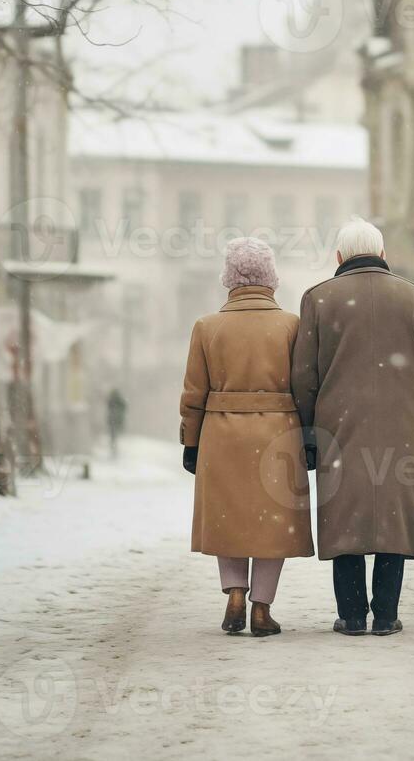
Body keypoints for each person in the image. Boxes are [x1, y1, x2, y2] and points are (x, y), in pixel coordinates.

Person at [291, 217, 414, 637]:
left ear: (339, 257)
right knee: (393, 521)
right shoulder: (413, 298)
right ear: (382, 254)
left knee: (346, 521)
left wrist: (306, 434)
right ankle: (386, 615)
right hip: (401, 429)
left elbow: (303, 375)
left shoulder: (319, 299)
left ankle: (353, 616)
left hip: (339, 432)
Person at [179, 237, 314, 637]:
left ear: (229, 278)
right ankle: (261, 607)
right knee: (273, 522)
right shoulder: (292, 325)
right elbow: (306, 386)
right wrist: (309, 434)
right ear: (271, 278)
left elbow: (193, 393)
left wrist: (191, 441)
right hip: (279, 434)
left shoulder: (206, 327)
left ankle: (235, 592)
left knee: (229, 515)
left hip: (221, 434)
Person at [106, 388, 126, 460]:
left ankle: (113, 446)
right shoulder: (119, 400)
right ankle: (114, 447)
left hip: (113, 420)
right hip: (116, 420)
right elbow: (124, 407)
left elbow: (109, 408)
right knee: (114, 434)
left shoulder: (111, 400)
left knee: (113, 434)